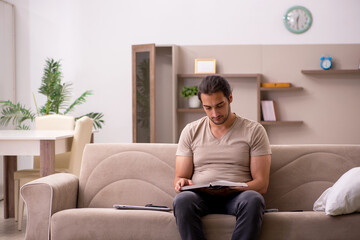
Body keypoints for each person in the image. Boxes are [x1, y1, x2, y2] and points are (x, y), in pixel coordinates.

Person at [173, 75, 272, 240]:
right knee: (183, 200)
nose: (215, 113)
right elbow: (180, 177)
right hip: (201, 196)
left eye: (220, 105)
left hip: (238, 196)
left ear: (230, 98)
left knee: (254, 199)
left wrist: (230, 189)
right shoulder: (190, 131)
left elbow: (261, 184)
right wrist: (181, 182)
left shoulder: (254, 131)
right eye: (208, 108)